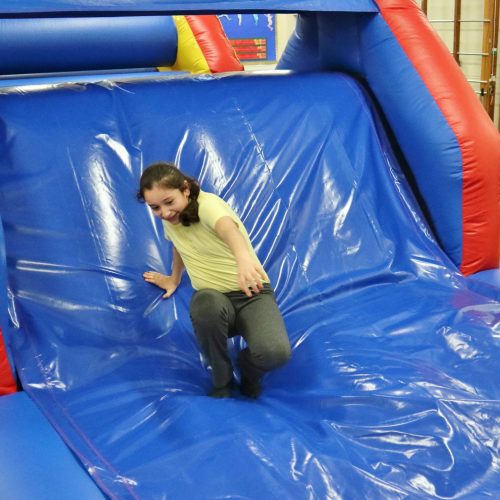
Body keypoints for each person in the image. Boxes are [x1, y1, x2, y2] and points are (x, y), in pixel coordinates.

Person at [137, 162, 291, 399]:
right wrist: (174, 279)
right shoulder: (171, 220)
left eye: (169, 202)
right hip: (214, 301)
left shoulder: (207, 205)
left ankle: (248, 369)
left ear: (185, 189)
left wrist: (243, 259)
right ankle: (222, 380)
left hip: (251, 294)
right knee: (205, 304)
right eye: (155, 207)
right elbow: (179, 245)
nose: (165, 213)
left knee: (275, 353)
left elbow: (229, 229)